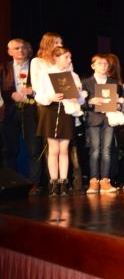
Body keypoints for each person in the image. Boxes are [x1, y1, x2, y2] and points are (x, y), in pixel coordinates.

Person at [32, 46, 84, 196]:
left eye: (70, 57)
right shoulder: (47, 74)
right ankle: (53, 183)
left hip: (66, 112)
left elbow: (80, 98)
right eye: (66, 57)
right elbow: (39, 95)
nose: (69, 60)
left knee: (64, 149)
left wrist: (77, 97)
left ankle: (63, 183)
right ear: (56, 57)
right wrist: (50, 97)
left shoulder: (73, 75)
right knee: (53, 149)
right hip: (51, 111)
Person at [1, 39, 43, 191]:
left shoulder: (36, 66)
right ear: (9, 52)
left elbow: (45, 87)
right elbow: (2, 89)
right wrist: (10, 95)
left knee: (34, 149)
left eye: (23, 48)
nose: (20, 50)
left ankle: (34, 184)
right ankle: (10, 184)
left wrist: (33, 92)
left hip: (31, 110)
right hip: (10, 111)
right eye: (16, 48)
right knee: (9, 150)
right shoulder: (4, 68)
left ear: (28, 50)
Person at [83, 54, 120, 193]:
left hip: (109, 119)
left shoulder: (113, 82)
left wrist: (117, 104)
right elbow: (81, 102)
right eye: (100, 63)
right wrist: (90, 102)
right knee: (95, 150)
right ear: (93, 66)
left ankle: (105, 180)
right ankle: (93, 181)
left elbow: (119, 101)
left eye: (105, 64)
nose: (103, 66)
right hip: (94, 119)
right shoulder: (86, 82)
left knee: (107, 150)